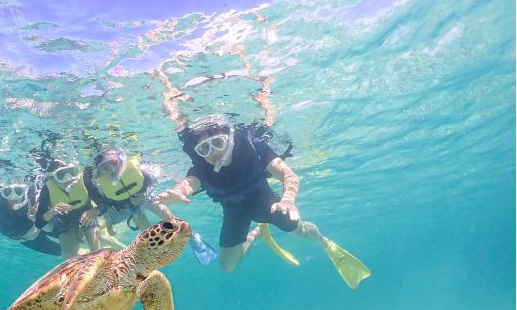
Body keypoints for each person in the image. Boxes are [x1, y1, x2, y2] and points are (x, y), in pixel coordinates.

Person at [154, 72, 370, 288]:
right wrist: (179, 191)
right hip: (234, 210)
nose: (213, 153)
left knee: (297, 230)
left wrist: (287, 200)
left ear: (229, 137)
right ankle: (257, 234)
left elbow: (288, 175)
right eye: (204, 148)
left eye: (218, 143)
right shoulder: (201, 167)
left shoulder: (253, 147)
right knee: (227, 265)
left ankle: (323, 241)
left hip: (265, 202)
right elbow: (188, 184)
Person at [84, 147, 173, 234]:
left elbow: (156, 178)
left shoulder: (139, 169)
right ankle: (158, 247)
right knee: (146, 232)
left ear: (121, 159)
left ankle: (181, 231)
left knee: (162, 210)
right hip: (129, 208)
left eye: (114, 163)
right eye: (105, 168)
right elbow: (106, 206)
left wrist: (146, 193)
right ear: (100, 172)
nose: (112, 170)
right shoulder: (103, 186)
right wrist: (109, 225)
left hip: (146, 196)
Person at [34, 159, 101, 259]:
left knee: (96, 249)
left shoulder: (85, 180)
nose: (68, 178)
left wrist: (94, 211)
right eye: (61, 175)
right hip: (64, 219)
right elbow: (39, 223)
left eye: (71, 172)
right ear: (52, 177)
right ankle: (79, 237)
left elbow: (104, 205)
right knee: (69, 255)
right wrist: (53, 211)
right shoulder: (47, 189)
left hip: (86, 213)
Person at [0, 178, 62, 256]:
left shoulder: (34, 201)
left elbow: (49, 228)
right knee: (59, 251)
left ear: (24, 191)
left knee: (66, 236)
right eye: (7, 192)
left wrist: (38, 219)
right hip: (26, 238)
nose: (13, 196)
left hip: (38, 226)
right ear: (2, 193)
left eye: (18, 191)